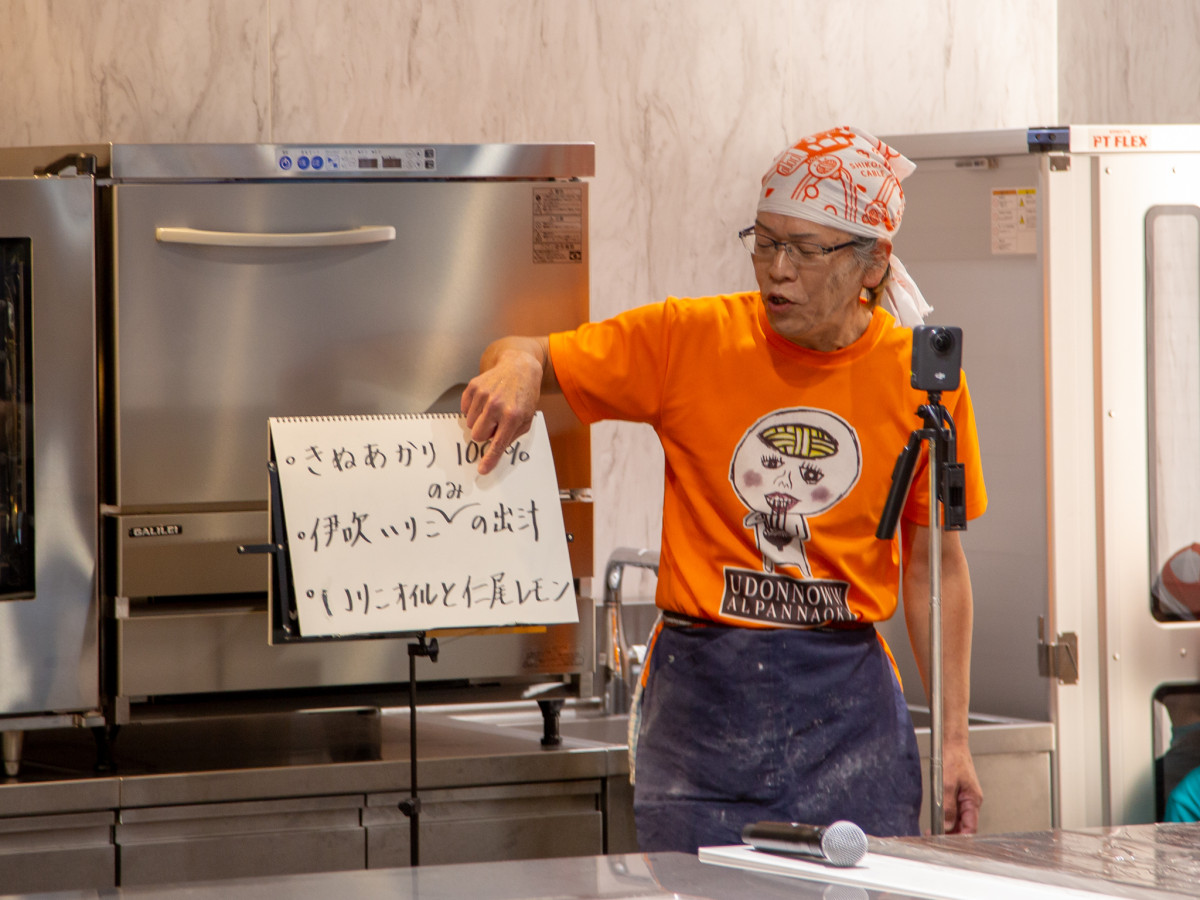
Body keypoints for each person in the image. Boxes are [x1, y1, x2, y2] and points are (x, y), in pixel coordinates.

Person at [461, 125, 987, 850]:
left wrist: (953, 741)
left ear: (874, 262)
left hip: (850, 716)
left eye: (804, 250)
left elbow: (936, 568)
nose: (777, 271)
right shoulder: (690, 338)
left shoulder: (923, 380)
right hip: (702, 714)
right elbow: (523, 351)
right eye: (764, 242)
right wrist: (518, 369)